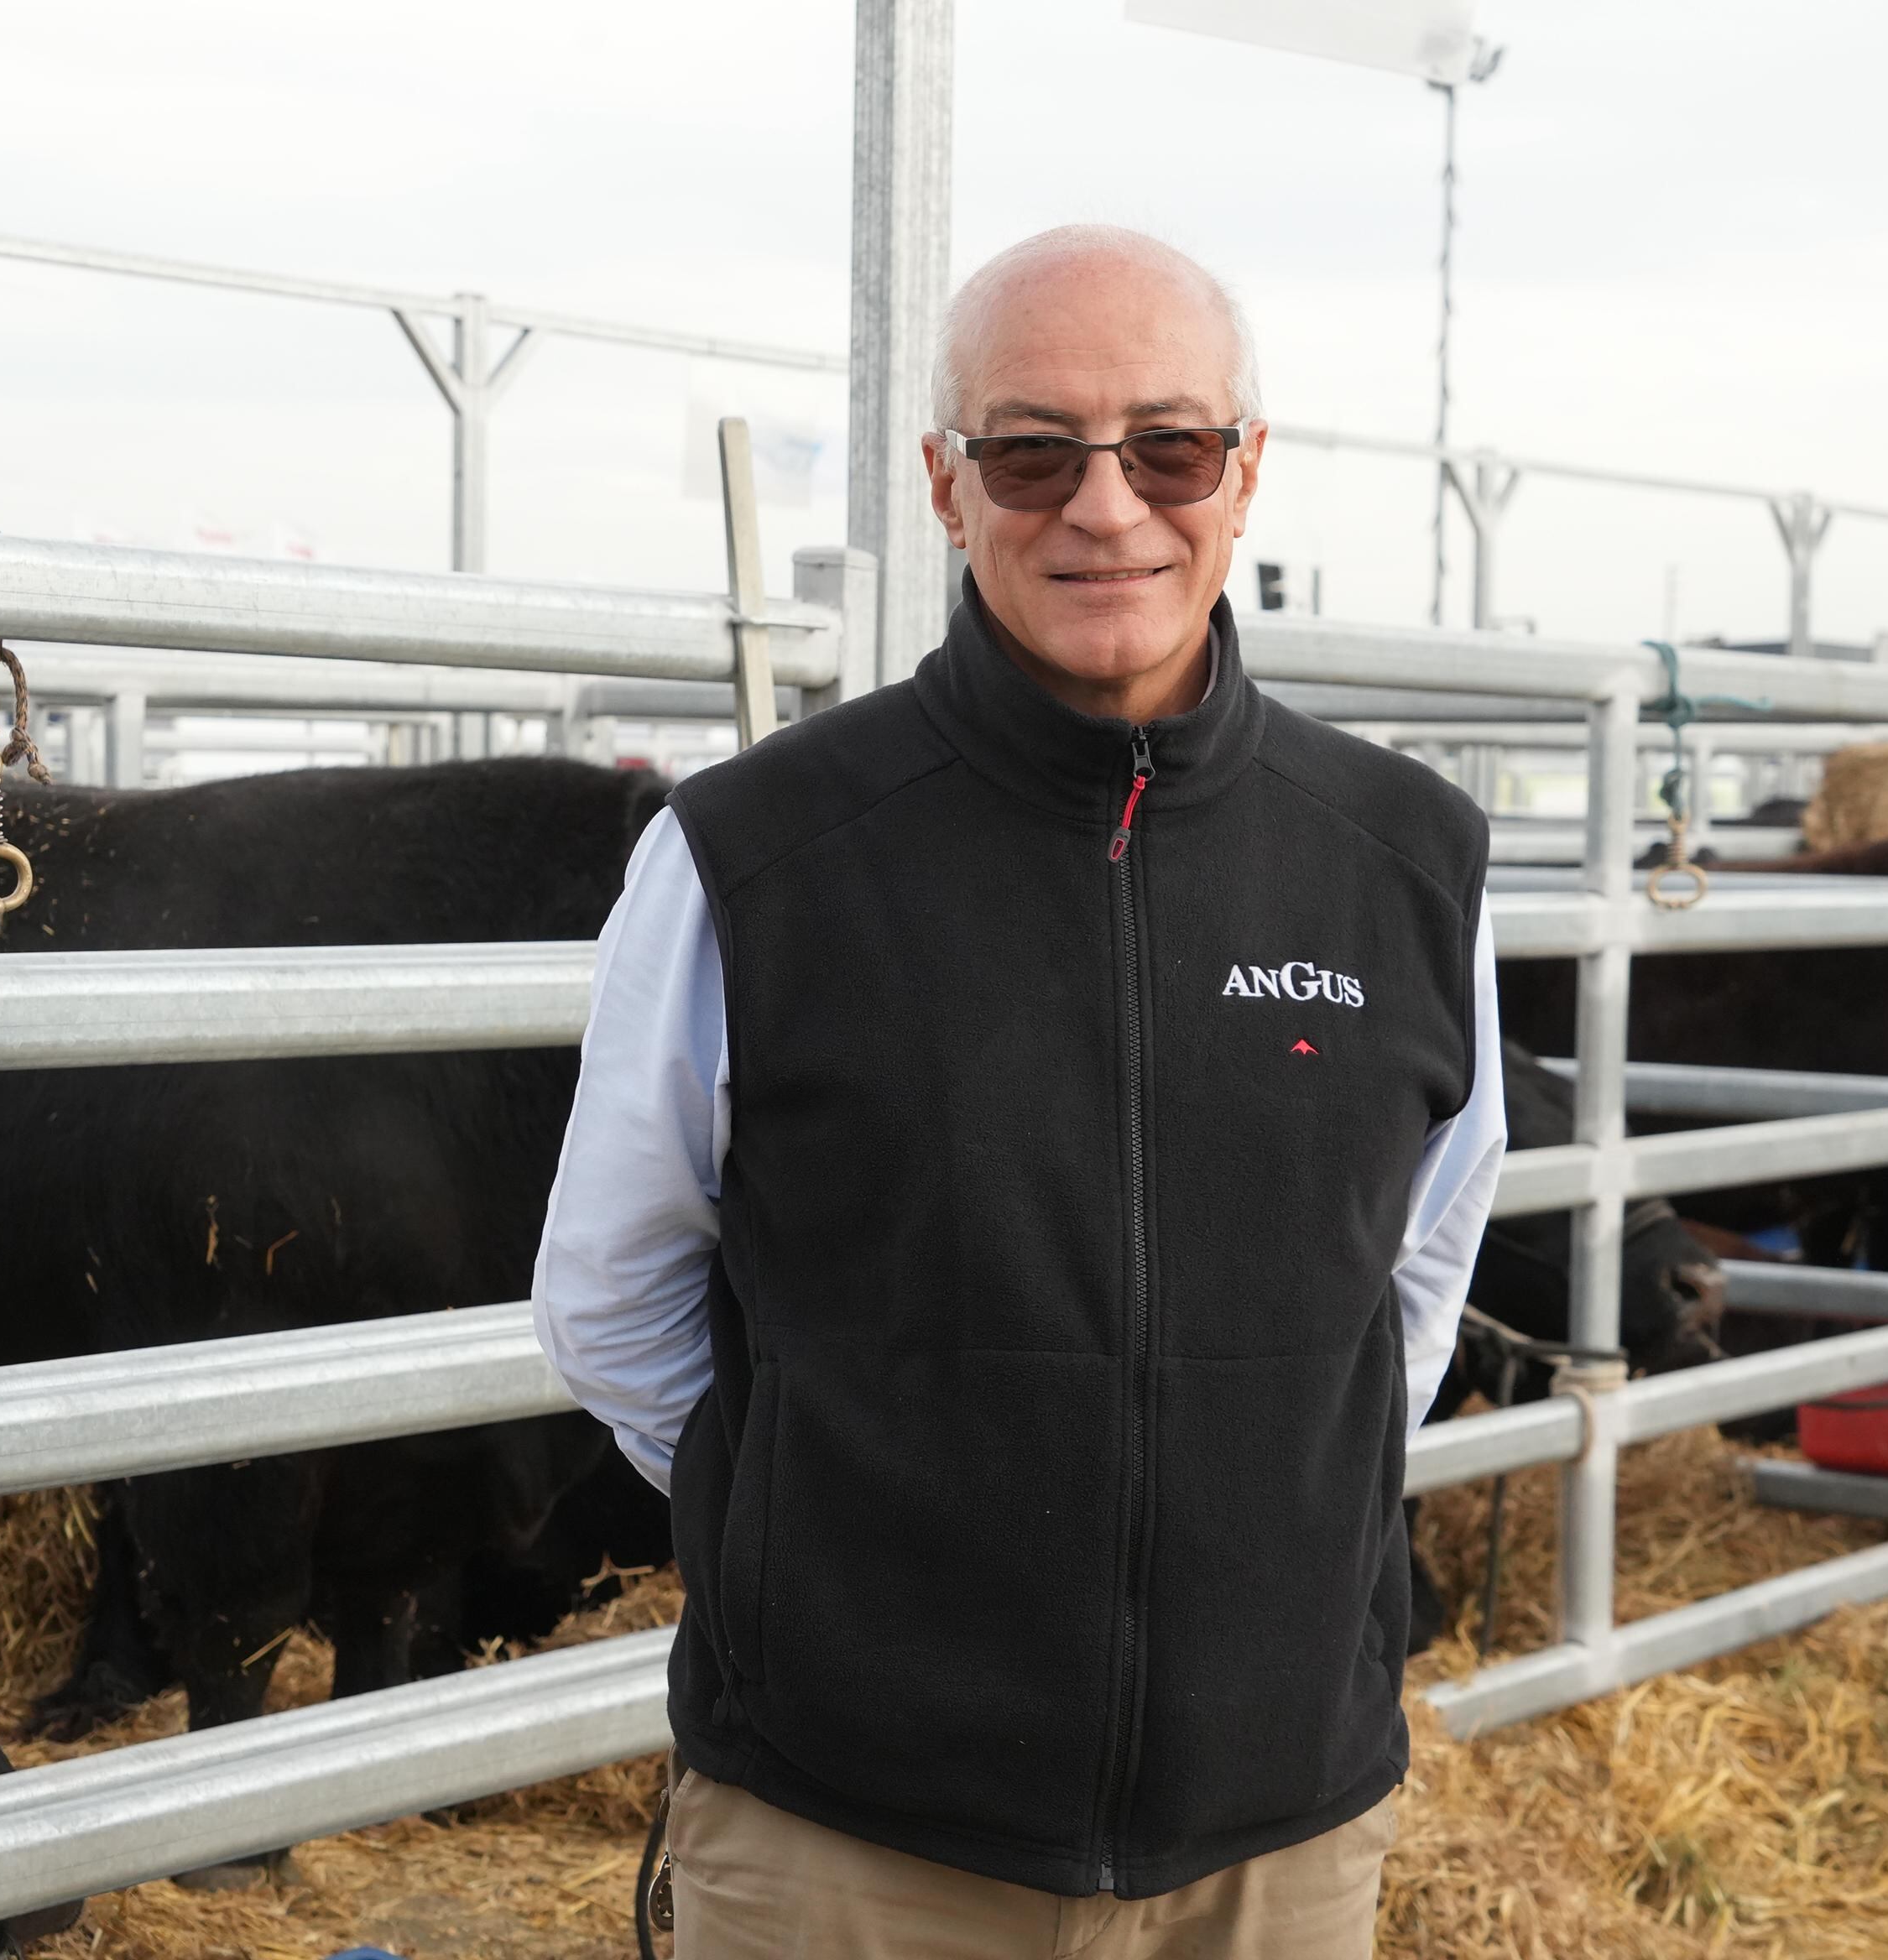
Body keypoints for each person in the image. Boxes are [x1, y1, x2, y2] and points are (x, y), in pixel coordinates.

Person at [533, 225, 1507, 1959]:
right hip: (855, 1844)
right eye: (1035, 450)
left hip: (1273, 1850)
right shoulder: (759, 854)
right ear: (945, 483)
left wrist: (1269, 1526)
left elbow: (1416, 1277)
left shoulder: (1404, 861)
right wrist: (816, 1542)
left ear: (1245, 473)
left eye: (1171, 448)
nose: (1108, 507)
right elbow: (615, 1290)